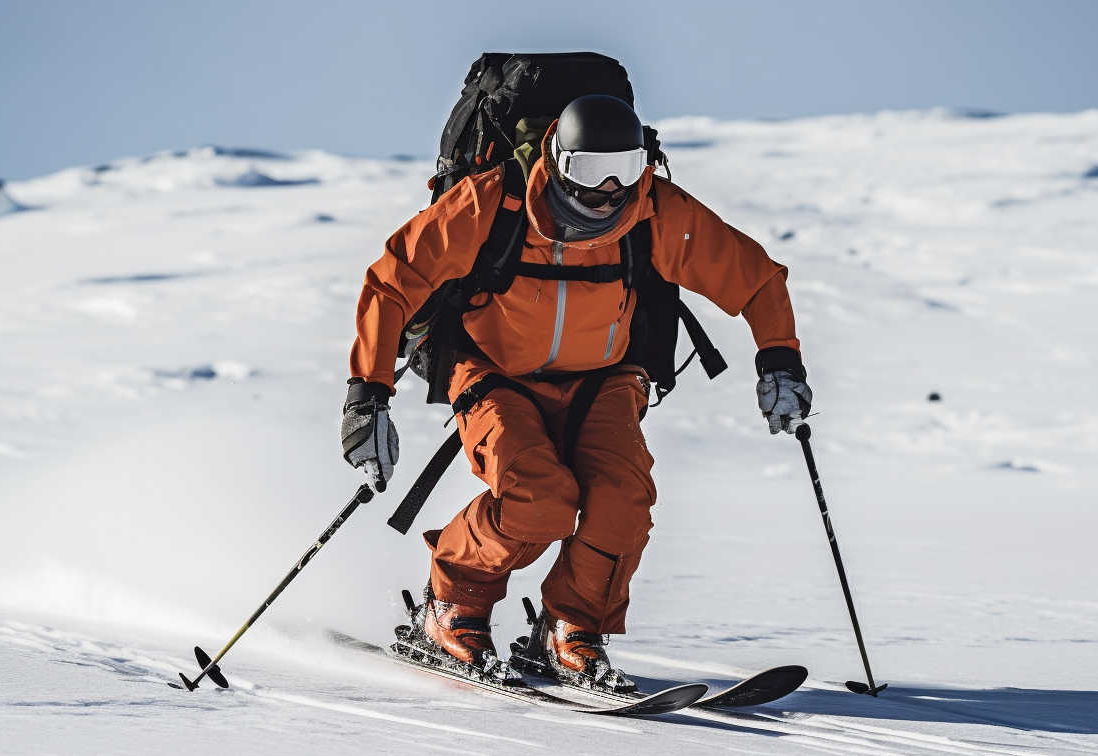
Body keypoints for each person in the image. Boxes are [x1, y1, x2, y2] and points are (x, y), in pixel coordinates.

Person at [341, 95, 811, 691]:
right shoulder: (494, 203)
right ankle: (452, 601)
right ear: (558, 160)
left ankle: (571, 628)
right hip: (495, 375)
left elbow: (756, 279)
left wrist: (779, 360)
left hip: (603, 379)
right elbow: (392, 281)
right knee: (539, 499)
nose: (609, 189)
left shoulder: (655, 212)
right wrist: (368, 392)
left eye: (626, 167)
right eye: (591, 171)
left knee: (623, 498)